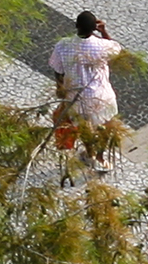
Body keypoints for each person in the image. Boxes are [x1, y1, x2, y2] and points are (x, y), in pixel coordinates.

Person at [49, 10, 124, 171]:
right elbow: (116, 51)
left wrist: (59, 88)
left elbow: (58, 70)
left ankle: (90, 156)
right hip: (102, 95)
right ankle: (101, 158)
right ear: (93, 29)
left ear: (76, 26)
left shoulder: (63, 45)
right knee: (105, 127)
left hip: (77, 98)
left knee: (85, 129)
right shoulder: (102, 46)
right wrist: (104, 31)